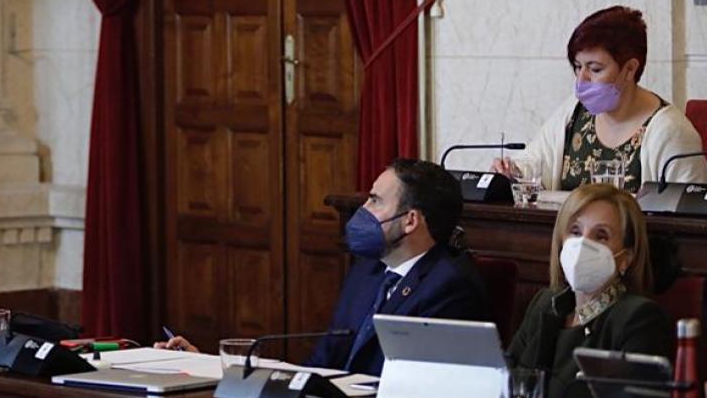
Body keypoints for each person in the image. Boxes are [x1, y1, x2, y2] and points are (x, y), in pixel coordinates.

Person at [160, 159, 490, 376]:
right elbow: (322, 362)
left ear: (410, 221)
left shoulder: (450, 286)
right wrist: (211, 368)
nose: (363, 209)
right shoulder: (368, 270)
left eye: (374, 200)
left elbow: (416, 389)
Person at [493, 6, 706, 192]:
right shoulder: (575, 111)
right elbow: (535, 161)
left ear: (630, 69)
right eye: (577, 66)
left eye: (595, 68)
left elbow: (690, 216)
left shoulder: (670, 131)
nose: (582, 78)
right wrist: (513, 171)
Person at [506, 184, 673, 398]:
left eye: (601, 236)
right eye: (575, 231)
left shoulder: (639, 318)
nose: (583, 243)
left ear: (626, 258)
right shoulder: (545, 303)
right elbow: (507, 378)